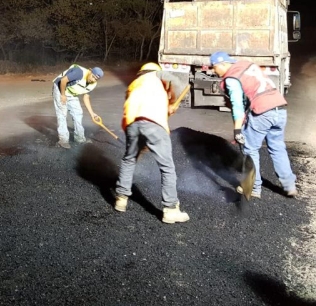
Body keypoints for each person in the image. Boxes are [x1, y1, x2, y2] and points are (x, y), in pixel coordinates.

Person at [209, 51, 297, 199]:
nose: (213, 71)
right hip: (280, 108)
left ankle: (254, 188)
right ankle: (289, 185)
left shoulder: (232, 77)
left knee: (250, 149)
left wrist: (237, 130)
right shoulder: (246, 65)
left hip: (263, 111)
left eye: (214, 67)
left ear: (222, 64)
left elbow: (237, 105)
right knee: (277, 147)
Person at [115, 62, 190, 224]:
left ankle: (121, 198)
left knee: (129, 160)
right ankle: (170, 209)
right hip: (154, 123)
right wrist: (171, 103)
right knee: (167, 167)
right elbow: (176, 82)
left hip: (132, 124)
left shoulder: (134, 84)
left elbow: (131, 106)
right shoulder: (157, 75)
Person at [52, 64, 103, 149]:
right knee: (62, 114)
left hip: (71, 93)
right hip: (60, 88)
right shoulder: (79, 72)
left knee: (78, 113)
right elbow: (63, 80)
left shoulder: (93, 84)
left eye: (95, 79)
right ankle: (63, 141)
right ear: (90, 71)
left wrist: (92, 114)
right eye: (93, 76)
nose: (92, 80)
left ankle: (80, 138)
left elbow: (86, 98)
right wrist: (63, 95)